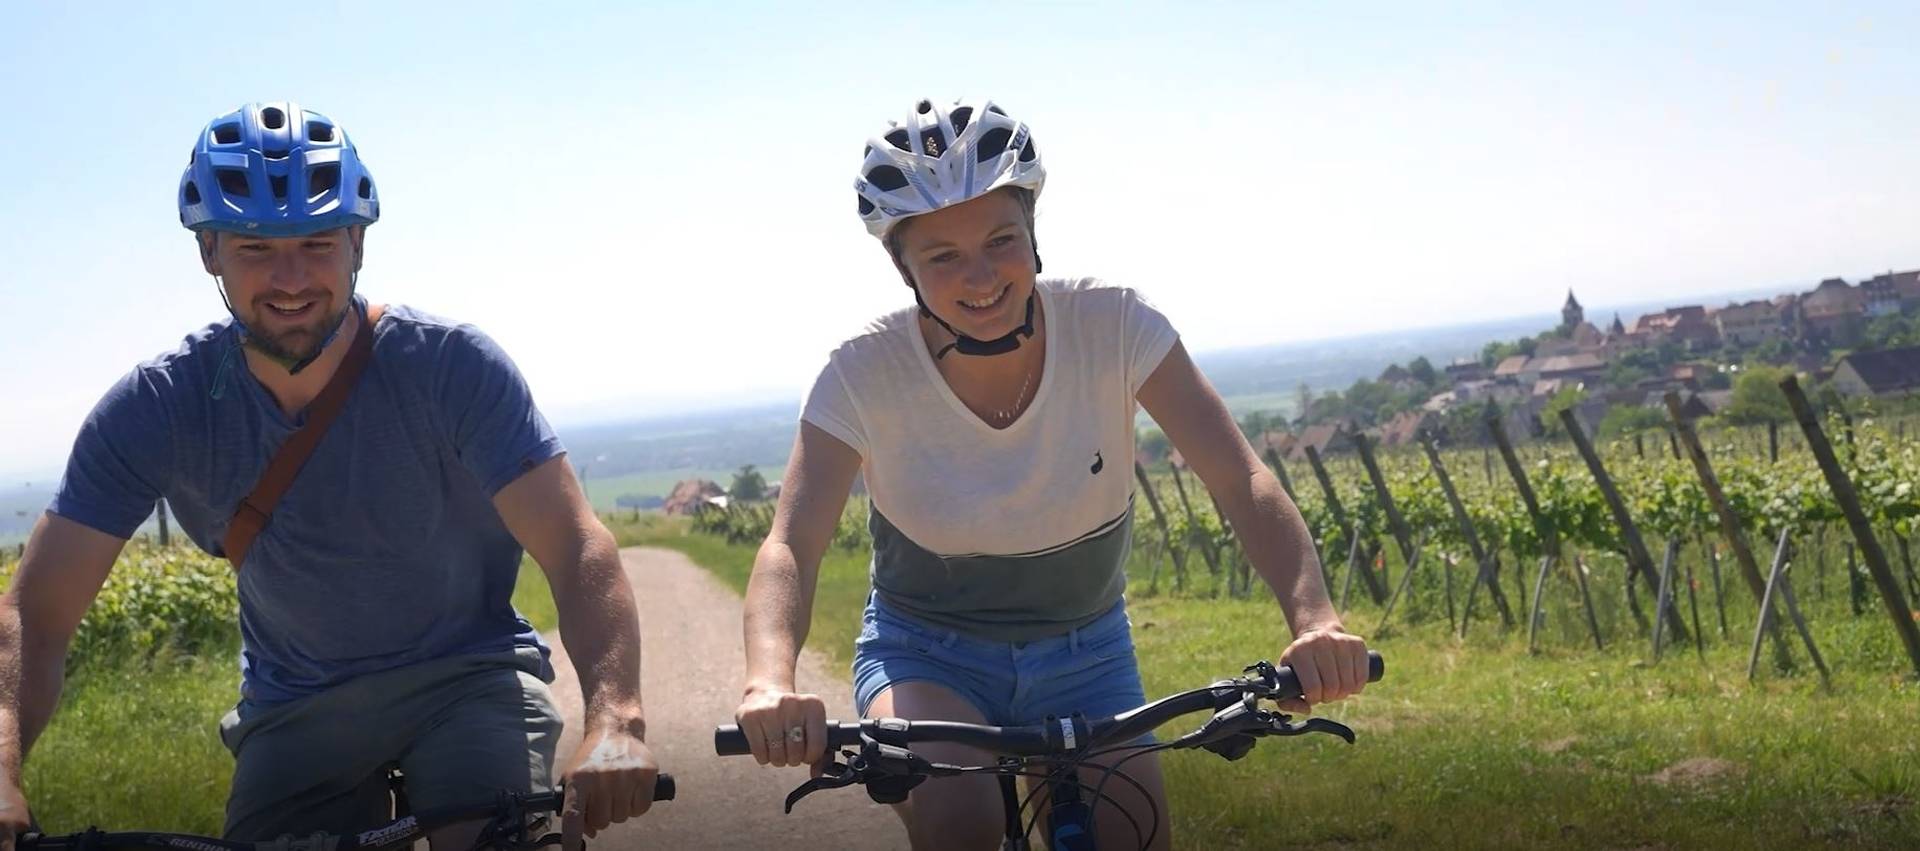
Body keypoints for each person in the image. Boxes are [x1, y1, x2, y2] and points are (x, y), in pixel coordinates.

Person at [0, 102, 656, 848]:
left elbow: (575, 547)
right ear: (209, 252)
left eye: (316, 242)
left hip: (468, 679)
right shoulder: (156, 408)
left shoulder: (451, 367)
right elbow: (35, 614)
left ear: (357, 243)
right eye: (254, 247)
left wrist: (616, 720)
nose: (290, 279)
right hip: (295, 706)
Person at [731, 97, 1372, 849]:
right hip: (926, 655)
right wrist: (769, 680)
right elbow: (791, 544)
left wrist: (1315, 620)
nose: (981, 276)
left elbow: (1241, 479)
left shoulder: (1116, 325)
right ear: (903, 268)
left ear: (1033, 234)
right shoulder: (861, 373)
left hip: (1086, 651)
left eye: (1000, 240)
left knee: (1134, 836)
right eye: (943, 257)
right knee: (963, 824)